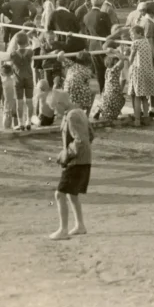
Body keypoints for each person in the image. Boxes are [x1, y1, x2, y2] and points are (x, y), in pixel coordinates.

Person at [48, 89, 93, 241]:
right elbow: (90, 135)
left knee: (59, 194)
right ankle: (80, 225)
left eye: (55, 108)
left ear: (60, 103)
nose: (55, 112)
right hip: (83, 160)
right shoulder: (79, 112)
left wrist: (65, 154)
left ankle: (63, 230)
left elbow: (81, 141)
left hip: (76, 161)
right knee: (72, 194)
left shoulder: (72, 116)